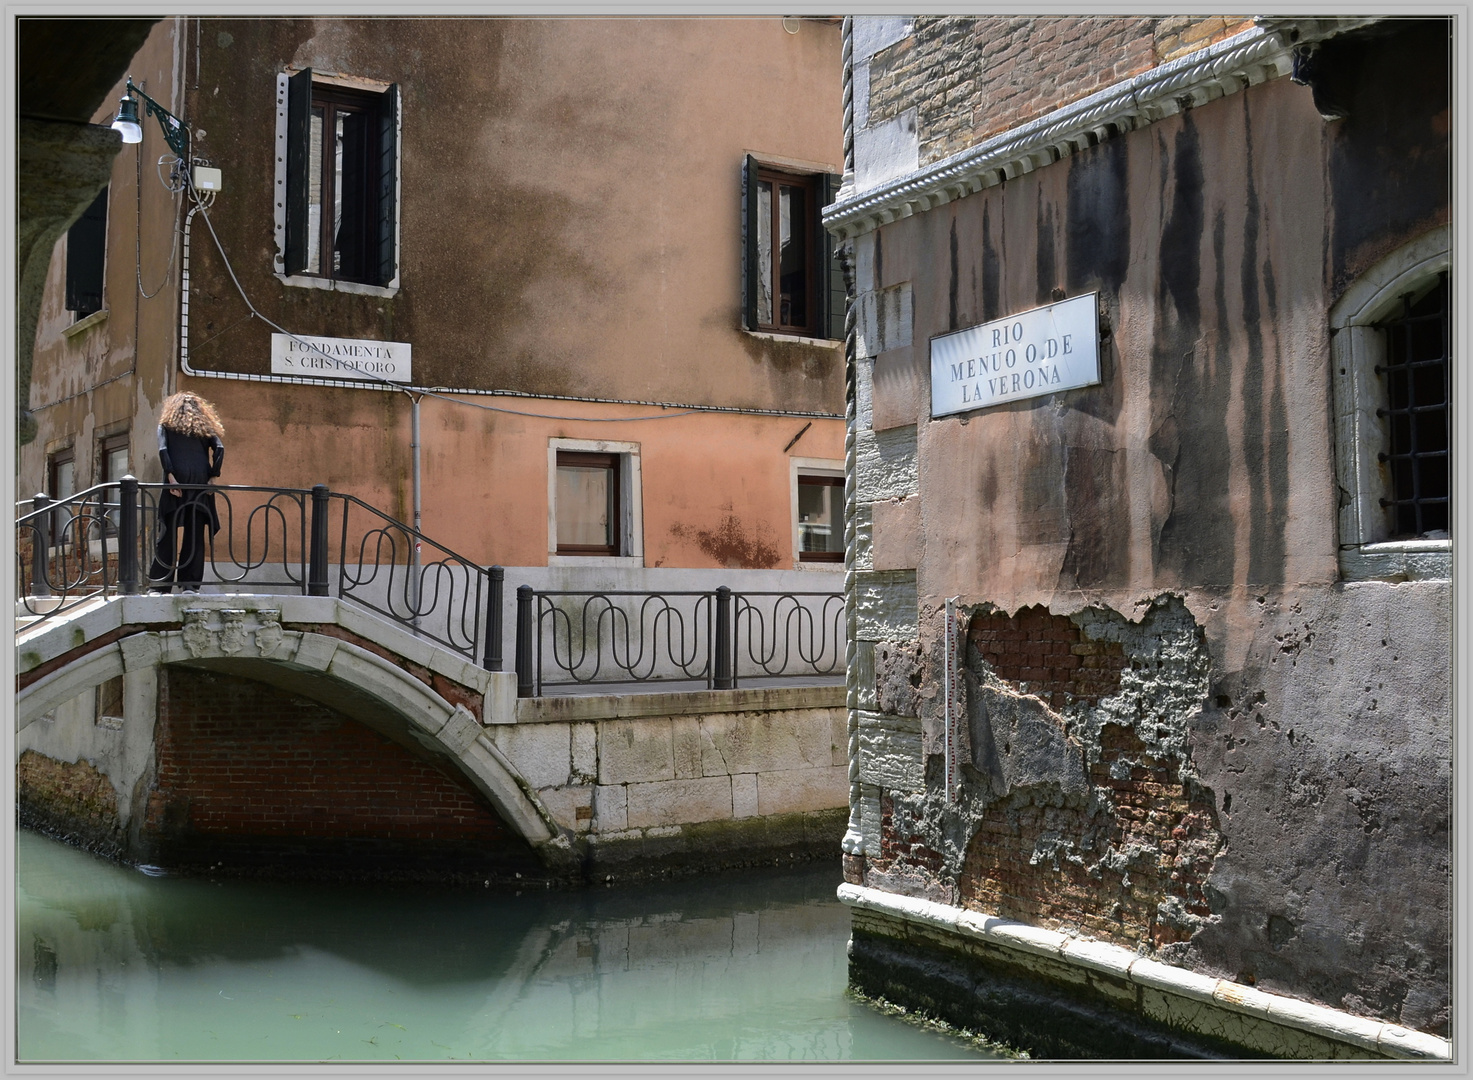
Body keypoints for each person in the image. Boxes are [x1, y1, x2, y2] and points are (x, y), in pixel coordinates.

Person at [147, 391, 225, 593]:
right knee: (195, 533)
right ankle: (189, 584)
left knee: (168, 531)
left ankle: (160, 585)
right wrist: (212, 476)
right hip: (199, 482)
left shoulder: (165, 425)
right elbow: (219, 449)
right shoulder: (205, 428)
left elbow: (163, 450)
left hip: (177, 480)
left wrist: (171, 476)